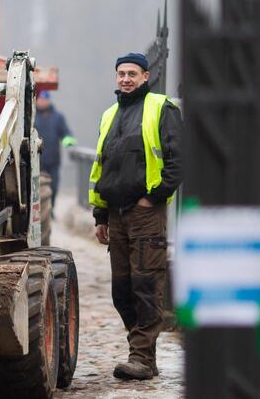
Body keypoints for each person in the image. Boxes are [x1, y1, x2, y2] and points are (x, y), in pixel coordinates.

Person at [89, 53, 182, 380]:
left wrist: (152, 198)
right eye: (121, 73)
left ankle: (141, 357)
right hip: (116, 214)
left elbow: (177, 160)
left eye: (132, 73)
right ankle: (144, 351)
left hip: (145, 214)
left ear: (145, 77)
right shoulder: (110, 115)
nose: (125, 79)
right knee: (122, 291)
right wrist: (100, 213)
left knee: (145, 285)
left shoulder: (161, 108)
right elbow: (101, 166)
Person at [34, 90, 76, 211]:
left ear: (49, 101)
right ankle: (40, 211)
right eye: (40, 100)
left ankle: (50, 209)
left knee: (54, 187)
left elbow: (65, 133)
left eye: (45, 100)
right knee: (38, 189)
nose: (42, 102)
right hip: (37, 161)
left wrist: (68, 141)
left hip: (53, 161)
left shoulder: (58, 117)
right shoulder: (32, 116)